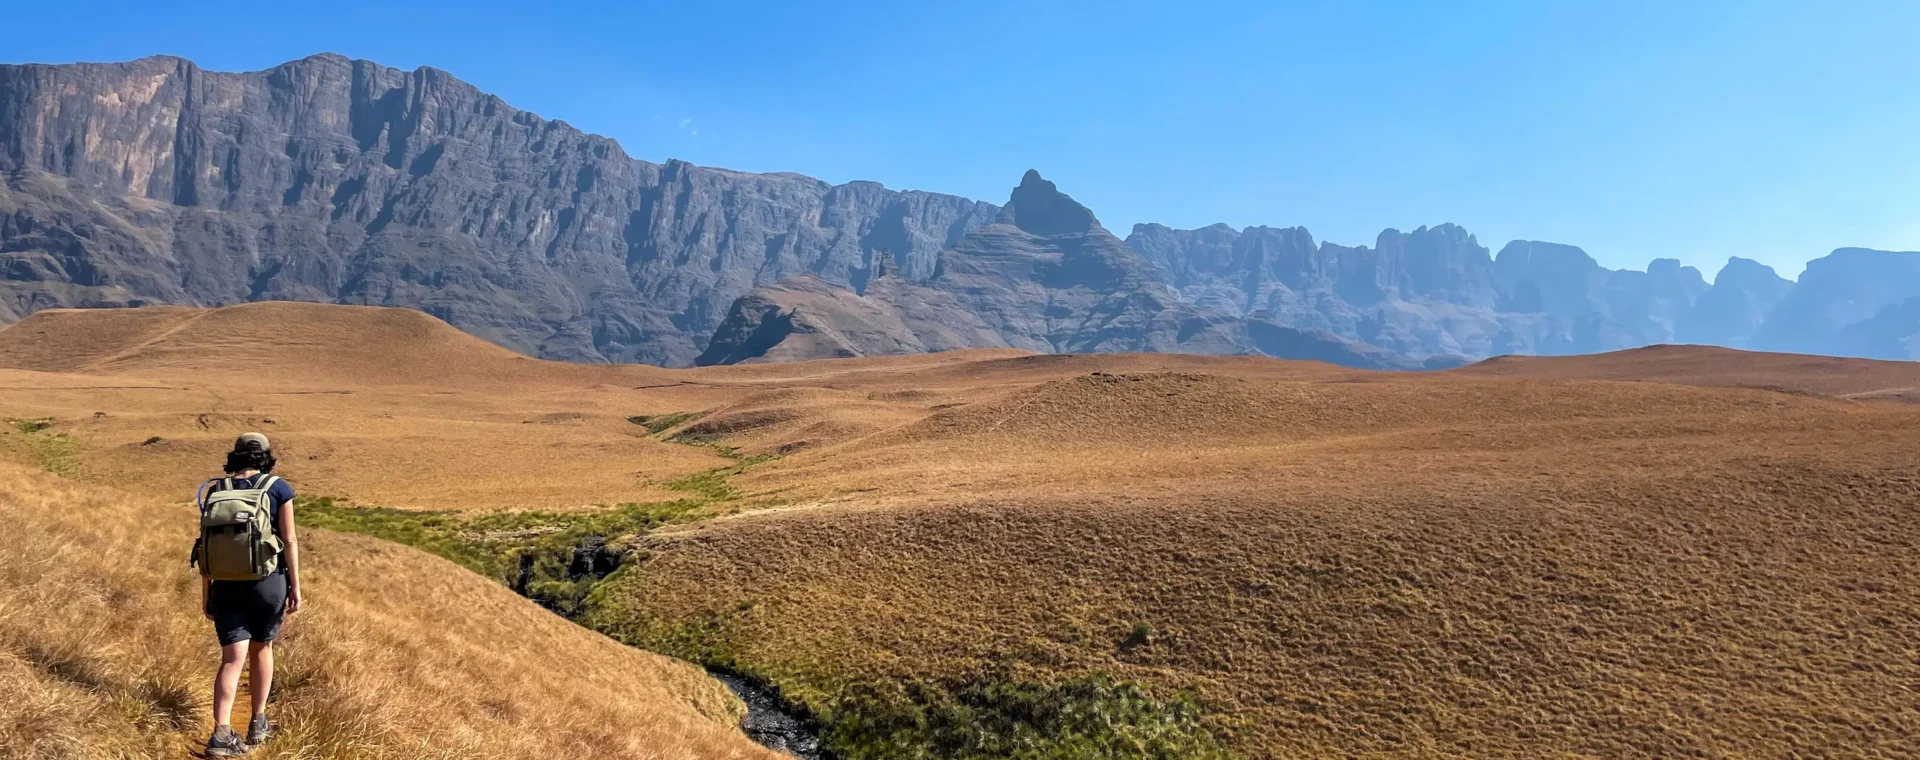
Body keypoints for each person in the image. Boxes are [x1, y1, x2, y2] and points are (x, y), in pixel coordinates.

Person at [196, 433, 303, 756]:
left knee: (231, 659)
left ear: (236, 456)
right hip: (267, 584)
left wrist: (206, 594)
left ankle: (221, 734)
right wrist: (295, 586)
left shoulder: (218, 491)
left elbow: (205, 548)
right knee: (262, 648)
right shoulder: (278, 488)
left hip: (225, 585)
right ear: (266, 457)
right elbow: (290, 540)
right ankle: (258, 721)